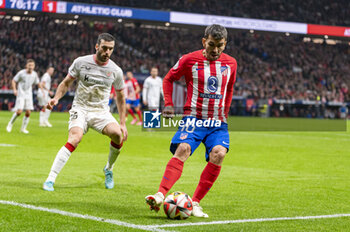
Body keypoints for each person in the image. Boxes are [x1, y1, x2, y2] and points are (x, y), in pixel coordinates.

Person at [145, 24, 237, 218]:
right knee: (183, 149)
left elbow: (229, 89)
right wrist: (168, 103)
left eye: (219, 45)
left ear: (225, 44)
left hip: (217, 123)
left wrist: (225, 113)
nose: (215, 50)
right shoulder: (189, 60)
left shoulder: (231, 64)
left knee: (219, 154)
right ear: (204, 41)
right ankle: (160, 194)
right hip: (193, 118)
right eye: (211, 44)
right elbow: (168, 79)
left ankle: (195, 203)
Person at [42, 33, 127, 191]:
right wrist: (56, 98)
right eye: (104, 48)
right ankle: (50, 179)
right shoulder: (81, 62)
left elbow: (121, 96)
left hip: (101, 111)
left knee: (117, 134)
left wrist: (122, 123)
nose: (107, 52)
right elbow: (66, 83)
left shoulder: (115, 70)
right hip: (80, 108)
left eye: (110, 49)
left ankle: (108, 169)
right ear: (97, 46)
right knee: (75, 138)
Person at [6, 59, 43, 134]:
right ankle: (10, 124)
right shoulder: (21, 73)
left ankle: (23, 129)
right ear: (26, 66)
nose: (31, 67)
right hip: (21, 94)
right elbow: (13, 80)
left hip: (29, 94)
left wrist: (42, 91)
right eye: (29, 65)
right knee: (19, 112)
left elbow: (38, 83)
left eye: (32, 65)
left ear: (34, 66)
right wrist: (14, 90)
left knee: (28, 112)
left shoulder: (34, 74)